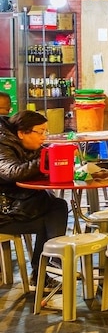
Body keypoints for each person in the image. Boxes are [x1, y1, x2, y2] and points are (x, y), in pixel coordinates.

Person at [0, 111, 69, 290]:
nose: (44, 137)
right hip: (4, 214)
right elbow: (13, 172)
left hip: (18, 205)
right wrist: (46, 160)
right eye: (40, 132)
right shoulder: (3, 146)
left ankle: (47, 266)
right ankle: (47, 266)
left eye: (46, 131)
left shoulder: (25, 145)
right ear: (22, 133)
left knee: (56, 206)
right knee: (53, 212)